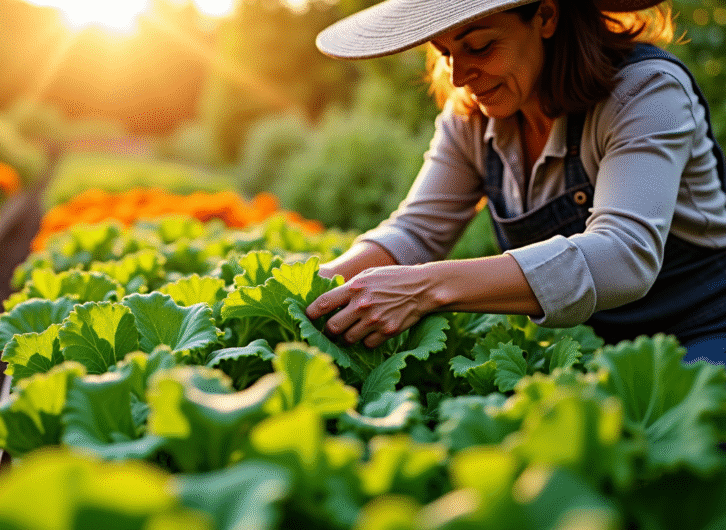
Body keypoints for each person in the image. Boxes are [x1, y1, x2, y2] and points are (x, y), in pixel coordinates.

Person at [305, 0, 726, 365]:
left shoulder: (645, 92)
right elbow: (415, 232)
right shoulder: (471, 117)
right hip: (584, 346)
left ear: (545, 17)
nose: (458, 76)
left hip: (701, 328)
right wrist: (310, 290)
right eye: (445, 51)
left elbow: (624, 256)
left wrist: (425, 288)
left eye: (480, 46)